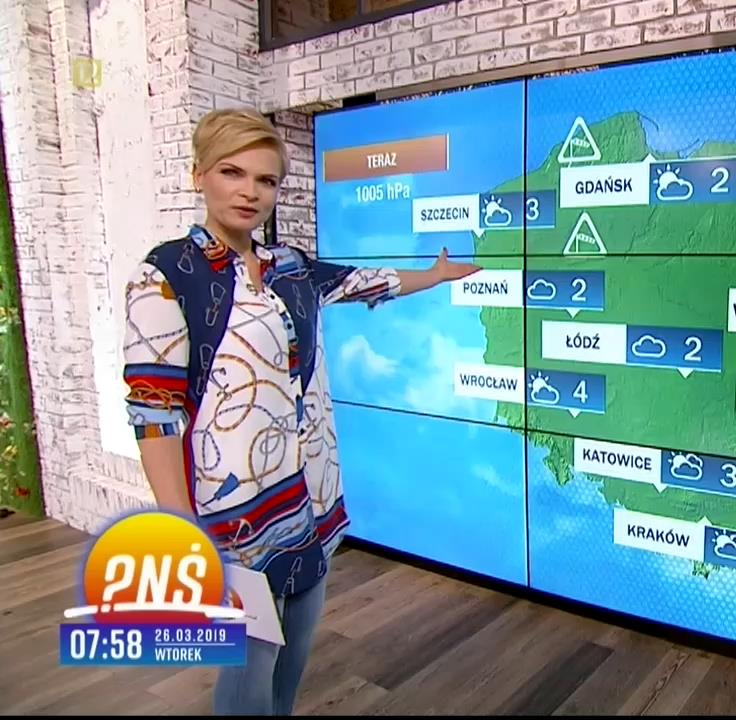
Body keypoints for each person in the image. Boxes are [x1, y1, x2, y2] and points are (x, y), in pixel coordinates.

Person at [120, 108, 479, 715]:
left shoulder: (290, 266)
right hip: (233, 516)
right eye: (232, 172)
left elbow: (363, 281)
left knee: (295, 652)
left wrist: (435, 275)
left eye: (265, 180)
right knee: (251, 665)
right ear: (198, 174)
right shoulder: (166, 275)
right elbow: (154, 413)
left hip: (311, 496)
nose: (250, 192)